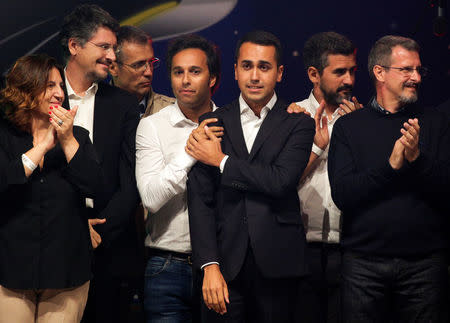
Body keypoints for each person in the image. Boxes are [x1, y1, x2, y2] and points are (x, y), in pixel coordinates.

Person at [186, 30, 315, 322]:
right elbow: (200, 200)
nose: (254, 76)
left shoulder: (298, 123)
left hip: (279, 264)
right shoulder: (212, 122)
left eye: (264, 67)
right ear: (235, 70)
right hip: (224, 265)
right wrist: (209, 264)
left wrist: (221, 161)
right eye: (247, 66)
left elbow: (280, 181)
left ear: (279, 73)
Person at [328, 35, 450, 322]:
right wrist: (390, 166)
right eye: (406, 70)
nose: (416, 77)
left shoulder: (435, 122)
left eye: (419, 70)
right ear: (379, 72)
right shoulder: (349, 126)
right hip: (363, 267)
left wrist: (417, 159)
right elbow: (343, 194)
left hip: (425, 265)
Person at [0, 54, 101, 322]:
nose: (59, 93)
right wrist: (43, 146)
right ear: (26, 88)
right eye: (49, 86)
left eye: (60, 86)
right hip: (11, 271)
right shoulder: (4, 136)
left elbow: (95, 186)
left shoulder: (77, 137)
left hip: (67, 272)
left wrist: (66, 140)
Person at [59, 4, 141, 322]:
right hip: (53, 242)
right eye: (103, 47)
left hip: (108, 247)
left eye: (113, 48)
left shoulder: (123, 104)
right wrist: (74, 226)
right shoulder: (42, 97)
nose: (111, 56)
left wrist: (99, 231)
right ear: (75, 46)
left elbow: (131, 180)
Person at [136, 34, 221, 323]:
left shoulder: (230, 123)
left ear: (212, 78)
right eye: (178, 72)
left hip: (220, 265)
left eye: (195, 71)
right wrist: (191, 152)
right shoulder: (152, 127)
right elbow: (151, 198)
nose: (185, 80)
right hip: (166, 265)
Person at [293, 31, 359, 323]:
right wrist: (318, 146)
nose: (350, 80)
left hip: (350, 249)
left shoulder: (362, 119)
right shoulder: (290, 117)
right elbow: (280, 182)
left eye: (352, 71)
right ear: (313, 74)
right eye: (340, 72)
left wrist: (360, 133)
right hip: (300, 248)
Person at [109, 25, 175, 117]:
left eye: (151, 62)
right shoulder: (92, 109)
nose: (149, 73)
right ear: (113, 68)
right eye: (138, 65)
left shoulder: (173, 112)